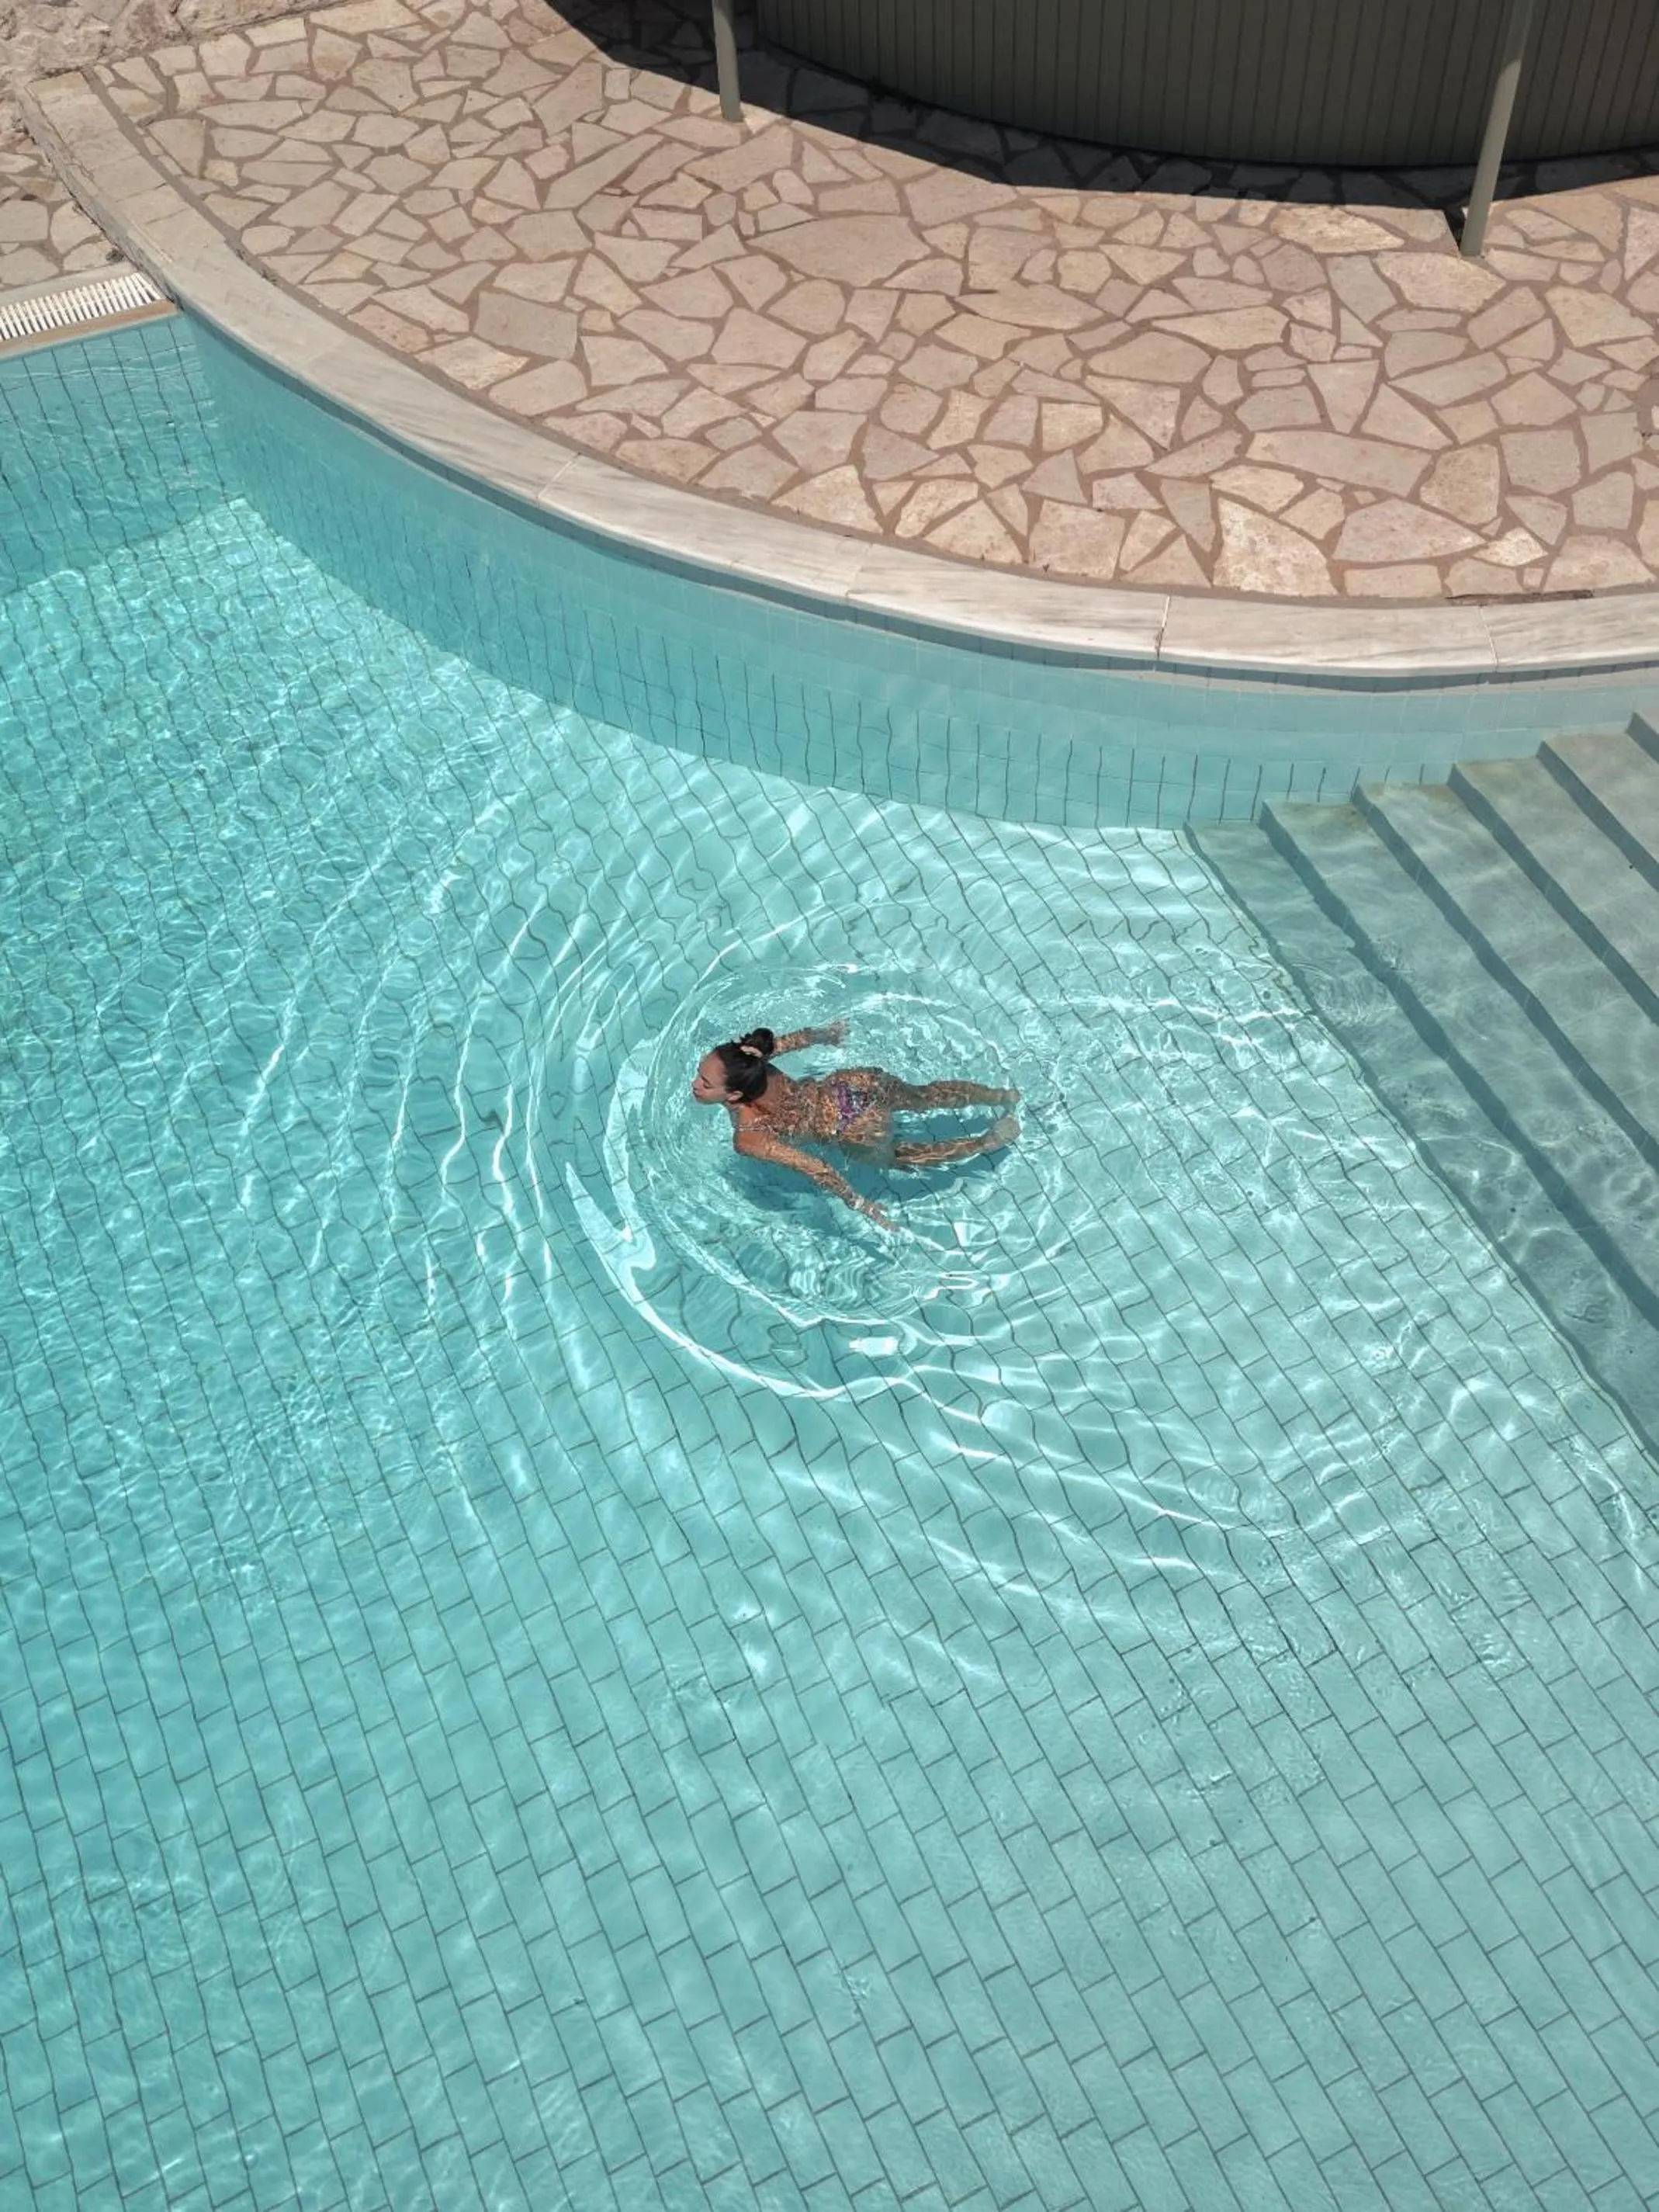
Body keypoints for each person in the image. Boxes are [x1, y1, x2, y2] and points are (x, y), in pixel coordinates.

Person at [691, 1021, 1019, 1229]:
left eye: (704, 1082)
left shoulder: (748, 1137)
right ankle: (1001, 1095)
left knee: (900, 1157)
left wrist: (860, 1203)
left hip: (851, 1128)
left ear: (733, 1094)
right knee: (924, 1096)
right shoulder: (754, 1061)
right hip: (850, 1085)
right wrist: (828, 1034)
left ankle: (984, 1144)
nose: (695, 1086)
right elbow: (800, 1038)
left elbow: (816, 1168)